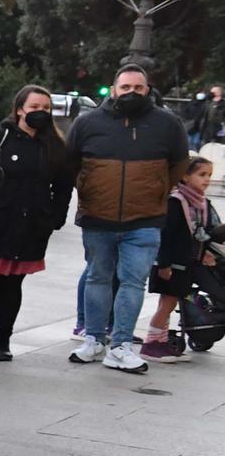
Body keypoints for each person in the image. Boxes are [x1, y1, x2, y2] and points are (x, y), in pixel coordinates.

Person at [68, 64, 189, 373]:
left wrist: (157, 191)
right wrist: (88, 190)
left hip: (144, 220)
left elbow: (178, 164)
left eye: (138, 88)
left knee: (133, 282)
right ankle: (93, 339)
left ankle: (121, 345)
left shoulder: (168, 124)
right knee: (97, 277)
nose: (132, 93)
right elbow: (71, 162)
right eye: (126, 88)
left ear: (147, 90)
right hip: (98, 217)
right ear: (114, 88)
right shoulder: (88, 122)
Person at [0, 86, 71, 363]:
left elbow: (64, 186)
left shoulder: (54, 146)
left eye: (46, 108)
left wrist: (54, 218)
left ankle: (3, 340)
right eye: (35, 107)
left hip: (32, 227)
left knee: (13, 285)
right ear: (19, 109)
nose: (41, 113)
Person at [142, 157, 222, 362]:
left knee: (169, 302)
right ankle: (151, 345)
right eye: (201, 175)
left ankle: (161, 342)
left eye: (209, 176)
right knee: (166, 304)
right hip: (172, 264)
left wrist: (205, 252)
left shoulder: (201, 203)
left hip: (187, 263)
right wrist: (164, 264)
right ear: (185, 176)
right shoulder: (177, 202)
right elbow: (166, 237)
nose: (206, 180)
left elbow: (202, 234)